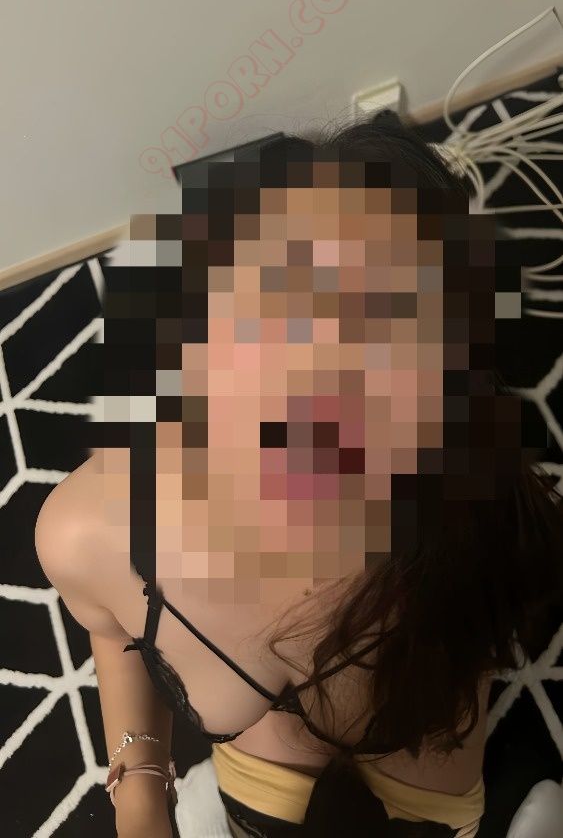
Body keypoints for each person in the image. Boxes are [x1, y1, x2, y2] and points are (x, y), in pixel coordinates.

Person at [34, 113, 563, 837]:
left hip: (434, 785)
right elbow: (111, 627)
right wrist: (142, 792)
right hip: (257, 776)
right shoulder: (90, 531)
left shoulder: (481, 502)